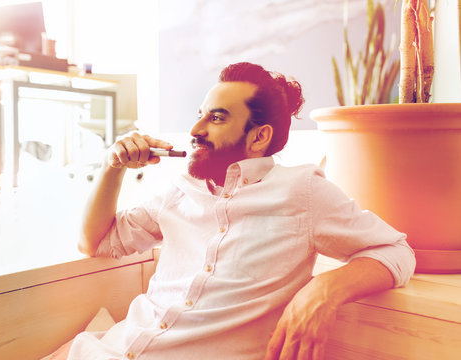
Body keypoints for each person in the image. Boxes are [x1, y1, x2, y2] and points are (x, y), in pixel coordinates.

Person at [69, 62, 415, 360]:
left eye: (216, 118)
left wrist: (324, 290)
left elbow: (396, 250)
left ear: (259, 137)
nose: (195, 130)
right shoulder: (178, 189)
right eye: (200, 115)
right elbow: (96, 243)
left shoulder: (302, 190)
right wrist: (112, 166)